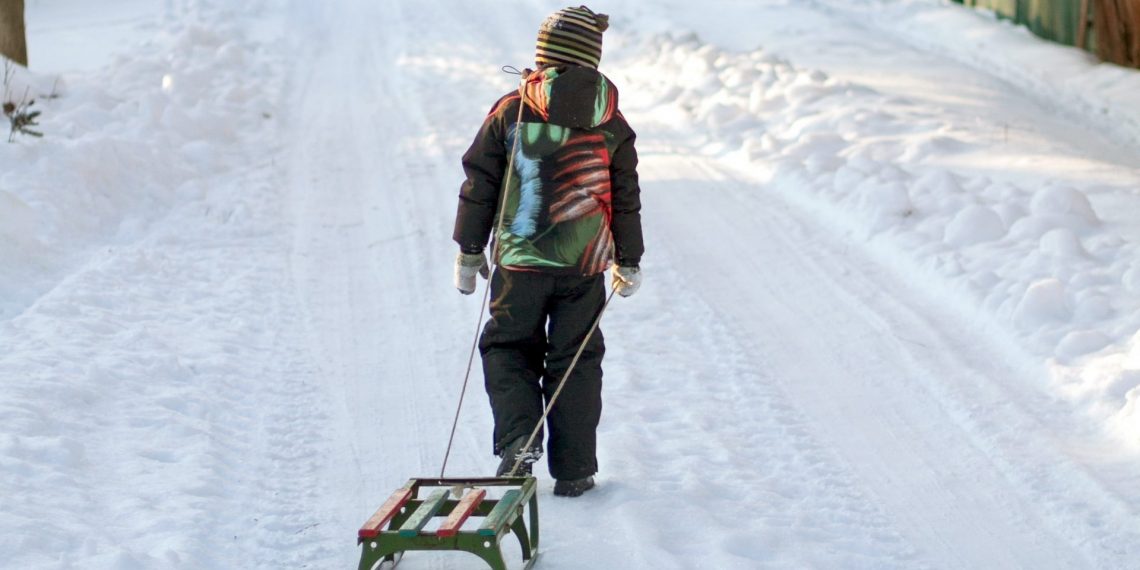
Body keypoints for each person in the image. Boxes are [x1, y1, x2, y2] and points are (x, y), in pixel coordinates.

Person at [451, 5, 644, 497]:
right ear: (592, 59)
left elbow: (481, 183)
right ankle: (575, 470)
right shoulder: (612, 122)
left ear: (543, 57)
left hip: (520, 264)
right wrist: (629, 258)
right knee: (576, 359)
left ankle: (519, 440)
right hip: (583, 266)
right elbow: (625, 194)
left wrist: (470, 248)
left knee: (508, 346)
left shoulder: (509, 110)